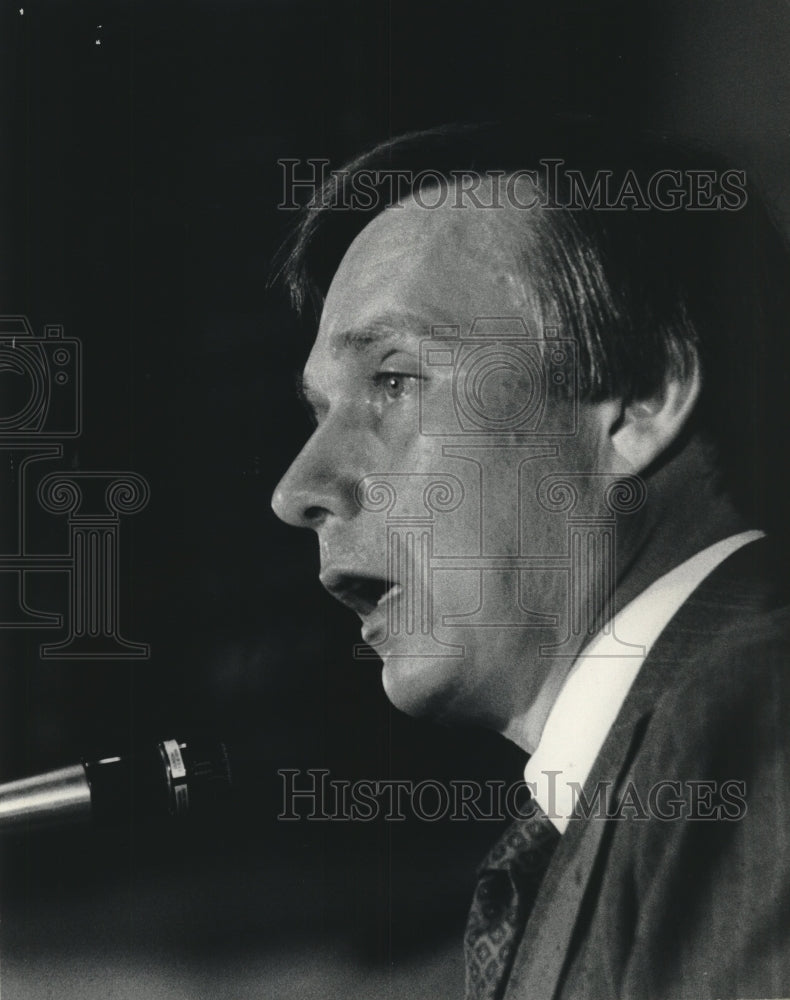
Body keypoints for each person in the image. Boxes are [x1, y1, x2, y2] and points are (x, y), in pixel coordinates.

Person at [270, 122, 790, 999]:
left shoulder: (748, 714)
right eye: (319, 411)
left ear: (645, 395)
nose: (297, 488)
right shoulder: (625, 788)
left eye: (394, 381)